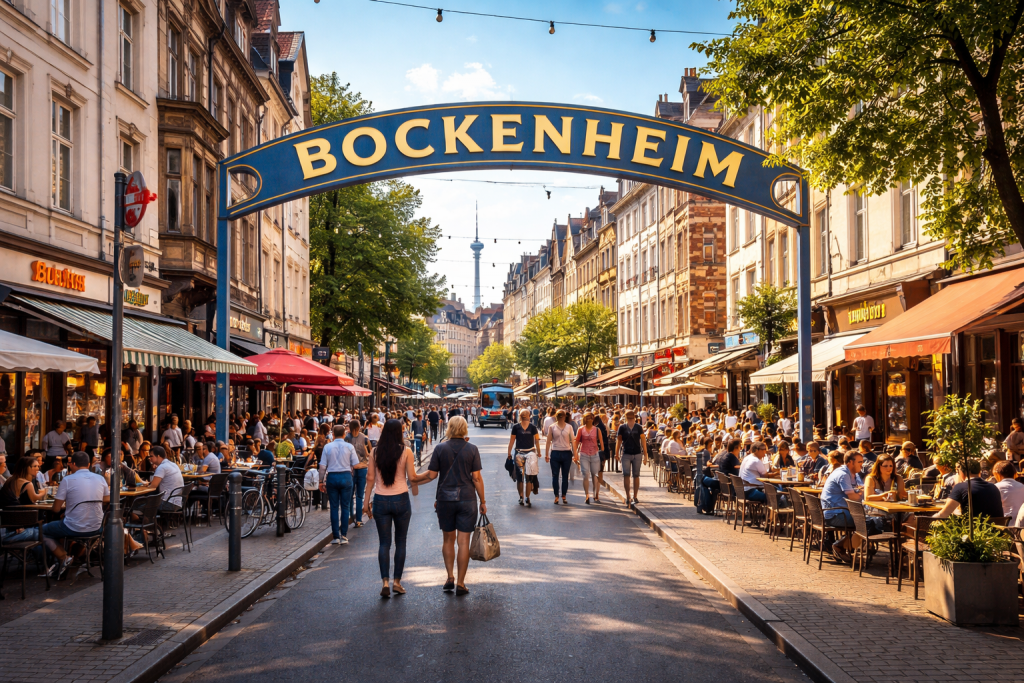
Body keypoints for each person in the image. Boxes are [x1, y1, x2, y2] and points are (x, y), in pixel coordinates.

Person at [419, 417, 486, 596]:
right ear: (464, 429)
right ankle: (461, 583)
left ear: (449, 428)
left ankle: (449, 577)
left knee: (448, 540)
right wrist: (483, 501)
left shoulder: (440, 448)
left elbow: (432, 475)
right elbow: (476, 478)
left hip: (445, 500)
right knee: (463, 542)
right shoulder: (472, 449)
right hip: (467, 499)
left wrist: (414, 479)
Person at [363, 418, 427, 598]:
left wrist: (366, 502)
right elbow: (412, 477)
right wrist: (429, 476)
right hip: (401, 499)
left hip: (381, 500)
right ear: (400, 432)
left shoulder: (375, 452)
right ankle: (397, 582)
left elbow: (370, 479)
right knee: (401, 542)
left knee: (384, 543)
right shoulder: (406, 451)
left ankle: (384, 582)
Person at [42, 451, 109, 578]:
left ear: (72, 464)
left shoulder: (67, 480)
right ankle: (72, 556)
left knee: (43, 531)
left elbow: (56, 509)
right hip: (97, 527)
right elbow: (106, 499)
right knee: (61, 523)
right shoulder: (100, 478)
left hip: (73, 527)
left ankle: (63, 557)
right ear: (88, 464)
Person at [820, 450, 873, 564]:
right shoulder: (843, 474)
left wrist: (861, 493)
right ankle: (840, 546)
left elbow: (861, 490)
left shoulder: (854, 474)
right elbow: (854, 497)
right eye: (859, 462)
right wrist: (861, 494)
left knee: (873, 521)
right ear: (850, 462)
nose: (862, 464)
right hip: (835, 515)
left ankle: (843, 546)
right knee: (868, 523)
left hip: (843, 512)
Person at [318, 423, 360, 545]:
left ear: (333, 434)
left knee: (334, 508)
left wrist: (321, 481)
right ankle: (344, 535)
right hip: (346, 476)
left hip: (332, 476)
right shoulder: (349, 447)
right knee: (345, 507)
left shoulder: (327, 447)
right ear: (344, 434)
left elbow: (322, 466)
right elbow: (356, 464)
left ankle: (335, 536)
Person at [934, 460, 1004, 520]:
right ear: (979, 472)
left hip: (974, 532)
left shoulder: (961, 487)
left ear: (961, 472)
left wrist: (929, 519)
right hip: (996, 532)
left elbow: (944, 514)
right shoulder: (993, 487)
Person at [508, 408, 541, 506]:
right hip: (531, 453)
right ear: (529, 416)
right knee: (529, 477)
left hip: (519, 453)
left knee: (519, 477)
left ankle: (521, 497)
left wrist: (509, 452)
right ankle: (527, 497)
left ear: (520, 416)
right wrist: (539, 452)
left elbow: (512, 441)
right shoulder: (533, 427)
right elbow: (537, 441)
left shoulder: (516, 427)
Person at [544, 410, 575, 505]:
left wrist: (575, 454)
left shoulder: (569, 427)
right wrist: (546, 454)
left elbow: (573, 441)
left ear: (565, 416)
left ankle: (564, 495)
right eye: (559, 415)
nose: (561, 417)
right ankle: (556, 495)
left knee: (565, 476)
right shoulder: (552, 427)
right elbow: (548, 441)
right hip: (555, 453)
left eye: (562, 415)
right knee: (555, 476)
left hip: (567, 452)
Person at [616, 410, 646, 508]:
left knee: (636, 475)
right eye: (629, 417)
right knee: (627, 474)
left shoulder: (638, 427)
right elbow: (619, 440)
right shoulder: (622, 427)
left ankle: (635, 496)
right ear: (626, 418)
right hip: (626, 453)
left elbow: (643, 440)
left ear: (634, 417)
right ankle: (628, 496)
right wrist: (616, 453)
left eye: (631, 417)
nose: (630, 419)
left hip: (637, 453)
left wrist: (645, 454)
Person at [573, 413, 604, 505]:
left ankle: (595, 494)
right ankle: (587, 494)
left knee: (595, 475)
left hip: (595, 454)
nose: (589, 418)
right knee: (585, 474)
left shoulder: (597, 430)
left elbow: (601, 443)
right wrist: (575, 454)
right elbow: (576, 441)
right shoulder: (581, 429)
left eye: (591, 417)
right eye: (587, 417)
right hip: (584, 454)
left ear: (593, 418)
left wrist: (602, 453)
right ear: (585, 419)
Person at [347, 419, 370, 528]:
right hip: (361, 468)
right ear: (358, 427)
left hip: (351, 469)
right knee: (359, 495)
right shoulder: (364, 438)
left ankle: (352, 518)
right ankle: (359, 520)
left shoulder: (347, 438)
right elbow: (367, 453)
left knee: (350, 495)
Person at [147, 445, 184, 513]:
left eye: (151, 456)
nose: (149, 458)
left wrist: (143, 486)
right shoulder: (173, 464)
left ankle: (145, 522)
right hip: (178, 503)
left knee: (141, 505)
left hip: (168, 503)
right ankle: (151, 522)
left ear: (158, 456)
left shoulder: (162, 467)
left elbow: (153, 486)